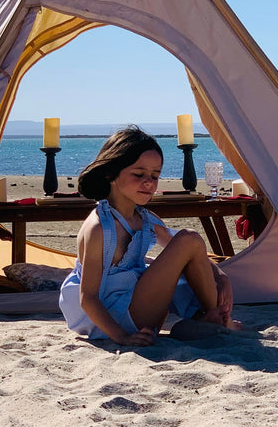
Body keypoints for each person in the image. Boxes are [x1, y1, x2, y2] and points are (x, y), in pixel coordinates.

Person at [58, 126, 234, 345]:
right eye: (139, 174)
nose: (148, 182)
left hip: (141, 310)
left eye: (155, 175)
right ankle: (216, 319)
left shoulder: (144, 217)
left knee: (189, 241)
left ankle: (205, 319)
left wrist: (220, 276)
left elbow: (192, 251)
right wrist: (122, 337)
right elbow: (88, 298)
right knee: (188, 238)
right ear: (111, 173)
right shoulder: (100, 227)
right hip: (116, 319)